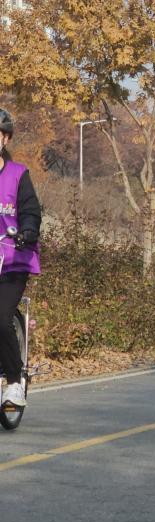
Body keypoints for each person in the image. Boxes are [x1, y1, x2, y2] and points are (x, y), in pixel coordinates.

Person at [0, 108, 41, 407]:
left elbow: (30, 211)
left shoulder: (18, 175)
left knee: (0, 319)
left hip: (13, 258)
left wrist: (27, 230)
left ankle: (15, 380)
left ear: (5, 139)